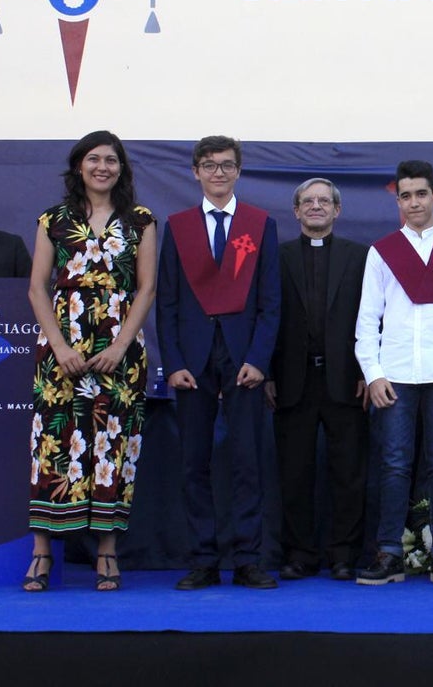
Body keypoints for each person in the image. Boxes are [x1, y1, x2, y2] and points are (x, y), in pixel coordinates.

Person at [24, 130, 157, 591]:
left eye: (112, 160)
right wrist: (59, 345)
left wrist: (121, 345)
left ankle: (106, 555)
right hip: (61, 348)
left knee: (112, 449)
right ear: (79, 165)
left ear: (122, 168)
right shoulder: (52, 219)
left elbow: (147, 289)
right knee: (53, 448)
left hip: (120, 352)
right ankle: (41, 556)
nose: (103, 167)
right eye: (94, 159)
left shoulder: (140, 220)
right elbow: (37, 287)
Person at [157, 135, 281, 590]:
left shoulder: (259, 224)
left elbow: (271, 303)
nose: (218, 173)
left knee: (248, 461)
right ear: (195, 172)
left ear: (239, 170)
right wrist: (172, 362)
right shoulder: (179, 226)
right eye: (209, 166)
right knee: (194, 463)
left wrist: (259, 359)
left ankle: (248, 558)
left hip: (244, 358)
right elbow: (166, 302)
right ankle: (203, 560)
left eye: (227, 165)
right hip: (192, 360)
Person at [355, 160, 433, 586]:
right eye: (405, 196)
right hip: (394, 375)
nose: (414, 203)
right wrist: (373, 374)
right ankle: (389, 552)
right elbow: (367, 319)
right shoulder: (382, 251)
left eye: (421, 194)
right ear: (398, 201)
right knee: (393, 464)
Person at [264, 178, 369, 582]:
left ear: (337, 211)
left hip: (346, 380)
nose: (316, 206)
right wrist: (269, 373)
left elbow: (372, 317)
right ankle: (300, 554)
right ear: (296, 211)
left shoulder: (361, 257)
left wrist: (366, 372)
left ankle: (344, 554)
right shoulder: (276, 257)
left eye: (324, 201)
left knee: (349, 472)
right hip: (293, 379)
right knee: (294, 473)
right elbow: (267, 318)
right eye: (308, 201)